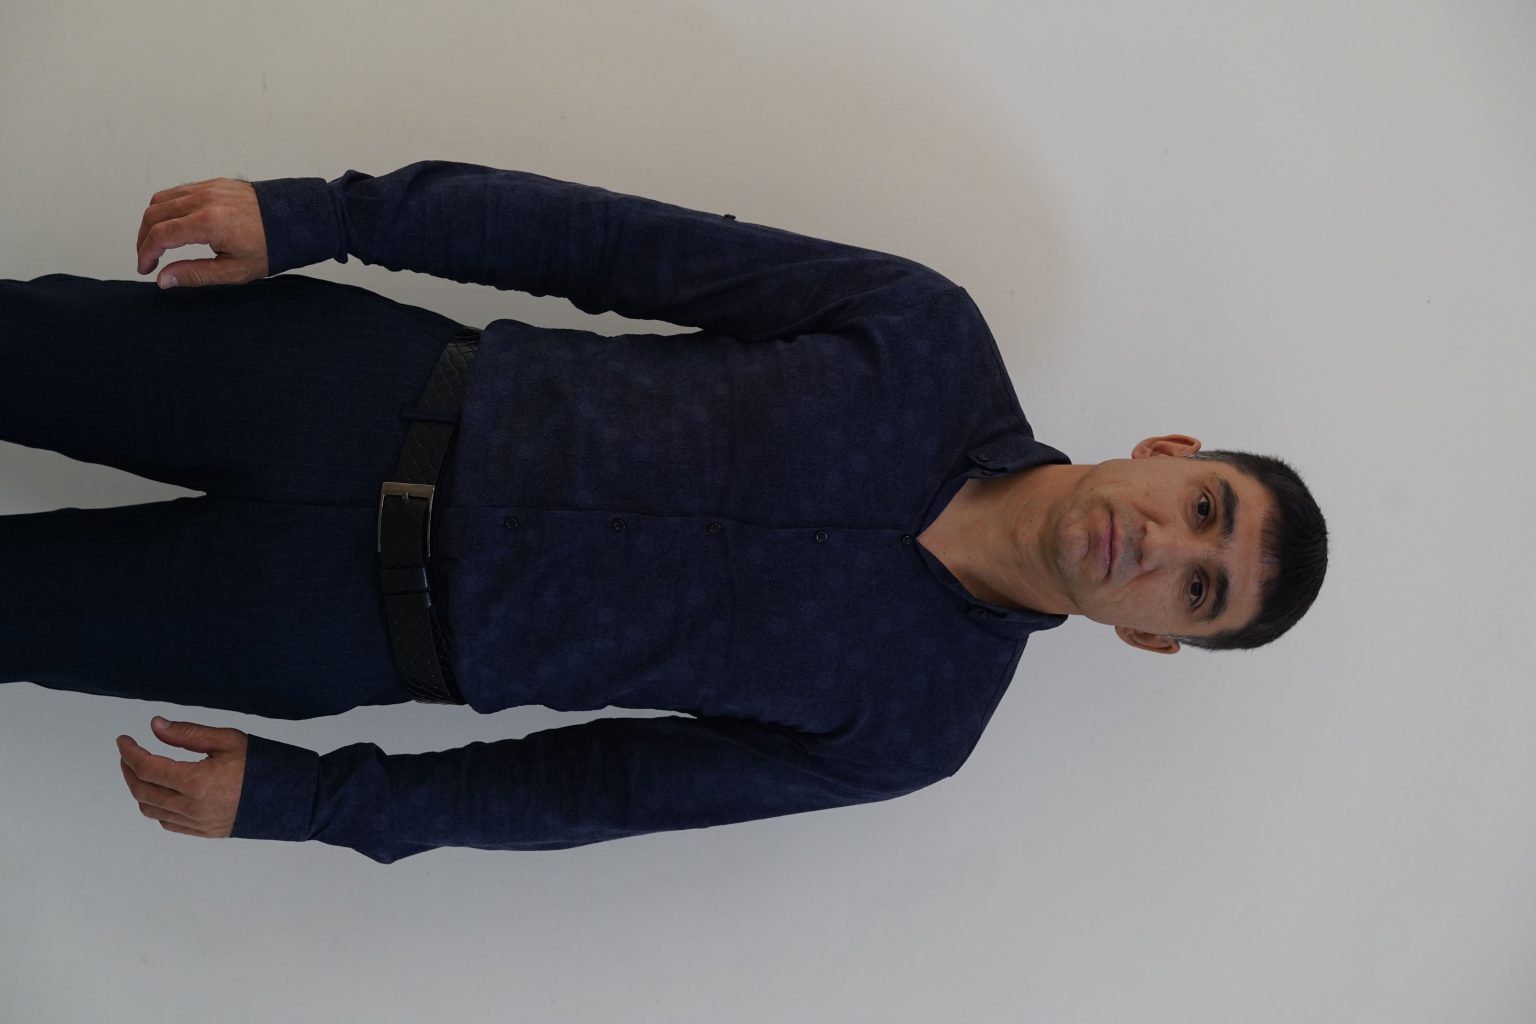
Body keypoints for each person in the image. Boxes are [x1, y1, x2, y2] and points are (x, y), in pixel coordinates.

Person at [0, 161, 1327, 863]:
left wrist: (317, 804)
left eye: (1197, 586)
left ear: (1153, 635)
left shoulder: (913, 729)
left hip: (316, 628)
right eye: (1203, 507)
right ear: (1169, 453)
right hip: (333, 384)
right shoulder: (925, 336)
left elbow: (597, 787)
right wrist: (322, 217)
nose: (1164, 544)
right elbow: (611, 246)